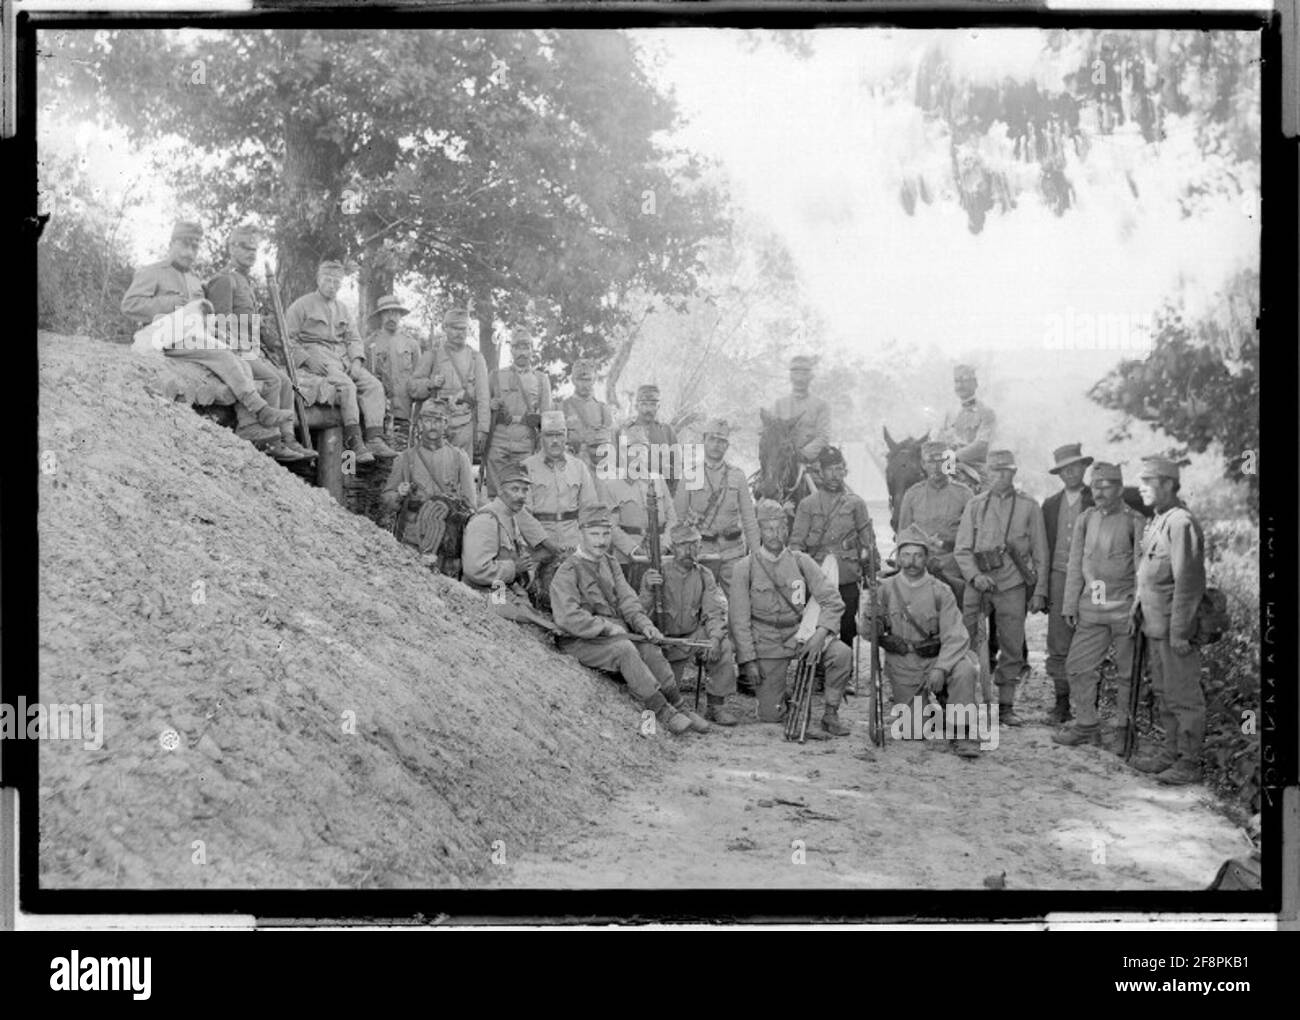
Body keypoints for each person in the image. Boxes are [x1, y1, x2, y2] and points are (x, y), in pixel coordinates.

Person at [121, 220, 294, 454]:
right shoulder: (152, 272)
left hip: (192, 335)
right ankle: (260, 408)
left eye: (194, 248)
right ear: (171, 245)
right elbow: (130, 305)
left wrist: (218, 331)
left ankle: (251, 426)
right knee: (223, 356)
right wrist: (171, 303)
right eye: (184, 246)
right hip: (162, 337)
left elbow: (206, 317)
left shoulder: (194, 280)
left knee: (238, 357)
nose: (189, 253)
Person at [550, 505, 711, 736]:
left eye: (606, 534)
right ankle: (662, 710)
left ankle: (680, 705)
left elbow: (628, 601)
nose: (601, 541)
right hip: (581, 639)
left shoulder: (610, 562)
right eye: (594, 534)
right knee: (625, 650)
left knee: (648, 646)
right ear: (580, 533)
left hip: (615, 633)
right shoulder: (567, 571)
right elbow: (568, 618)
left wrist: (645, 625)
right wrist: (605, 627)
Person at [728, 499, 854, 736]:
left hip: (800, 635)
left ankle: (830, 712)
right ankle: (785, 699)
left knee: (841, 653)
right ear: (760, 531)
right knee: (770, 716)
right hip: (766, 642)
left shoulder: (801, 561)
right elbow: (739, 620)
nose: (775, 534)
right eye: (769, 528)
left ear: (787, 529)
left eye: (780, 528)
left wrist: (820, 633)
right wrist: (748, 661)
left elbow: (834, 601)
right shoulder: (744, 567)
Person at [202, 223, 315, 463]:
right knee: (272, 380)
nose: (251, 253)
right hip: (233, 350)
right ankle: (266, 438)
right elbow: (219, 325)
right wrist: (240, 348)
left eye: (254, 249)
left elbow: (253, 323)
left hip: (249, 349)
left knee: (285, 382)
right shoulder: (225, 280)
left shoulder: (245, 281)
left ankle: (287, 438)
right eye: (245, 247)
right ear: (231, 247)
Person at [1053, 462, 1145, 752]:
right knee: (1078, 666)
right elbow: (1076, 564)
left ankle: (1123, 731)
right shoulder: (1086, 518)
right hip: (1091, 609)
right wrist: (1070, 604)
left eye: (1106, 486)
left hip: (1124, 611)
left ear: (1119, 488)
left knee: (1128, 673)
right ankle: (1086, 725)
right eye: (1095, 486)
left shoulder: (1135, 520)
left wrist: (1138, 610)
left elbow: (1143, 571)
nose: (1100, 492)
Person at [953, 449, 1049, 727]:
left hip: (1011, 585)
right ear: (987, 473)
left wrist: (1040, 590)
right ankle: (966, 702)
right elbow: (962, 549)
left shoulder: (1029, 506)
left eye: (1006, 471)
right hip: (979, 583)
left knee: (1012, 644)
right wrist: (974, 577)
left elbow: (1040, 552)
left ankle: (1006, 705)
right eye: (995, 471)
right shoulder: (975, 505)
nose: (1000, 476)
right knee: (967, 641)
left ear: (1013, 473)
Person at [871, 524, 983, 758]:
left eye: (918, 556)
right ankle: (939, 709)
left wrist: (941, 669)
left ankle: (962, 731)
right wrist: (869, 610)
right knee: (913, 731)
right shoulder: (885, 588)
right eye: (906, 555)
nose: (912, 562)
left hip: (936, 659)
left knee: (965, 670)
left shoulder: (940, 590)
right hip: (903, 665)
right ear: (898, 557)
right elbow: (868, 633)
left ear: (926, 558)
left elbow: (956, 636)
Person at [1130, 456, 1208, 785]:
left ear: (1167, 484)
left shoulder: (1180, 523)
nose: (1143, 488)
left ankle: (1189, 761)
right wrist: (1136, 610)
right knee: (1164, 692)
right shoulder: (1159, 520)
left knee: (1183, 695)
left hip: (1174, 630)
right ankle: (1170, 751)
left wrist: (1180, 632)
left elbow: (1188, 583)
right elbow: (1147, 574)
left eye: (1148, 482)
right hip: (1155, 626)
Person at [283, 260, 397, 465]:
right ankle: (354, 440)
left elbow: (353, 338)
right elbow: (287, 340)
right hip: (316, 352)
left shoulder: (343, 309)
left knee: (374, 385)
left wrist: (356, 361)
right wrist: (306, 359)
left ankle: (374, 438)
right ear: (318, 280)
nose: (332, 285)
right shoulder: (301, 305)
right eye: (328, 280)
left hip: (342, 356)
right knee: (346, 386)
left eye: (337, 282)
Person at [640, 522, 739, 726]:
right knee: (668, 694)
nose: (688, 551)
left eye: (694, 545)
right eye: (682, 545)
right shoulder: (658, 574)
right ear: (673, 547)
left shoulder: (704, 575)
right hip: (666, 642)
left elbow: (713, 611)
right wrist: (649, 590)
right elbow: (639, 612)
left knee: (723, 645)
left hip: (692, 637)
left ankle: (716, 705)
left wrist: (714, 638)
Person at [789, 445, 879, 651]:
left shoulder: (856, 504)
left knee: (846, 626)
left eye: (839, 469)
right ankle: (817, 671)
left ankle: (843, 673)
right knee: (814, 625)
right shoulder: (807, 504)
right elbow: (796, 544)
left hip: (847, 575)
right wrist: (799, 578)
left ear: (845, 472)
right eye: (829, 469)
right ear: (820, 471)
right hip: (817, 576)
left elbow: (868, 543)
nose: (834, 475)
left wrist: (872, 573)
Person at [380, 398, 476, 574]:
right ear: (420, 423)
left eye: (438, 420)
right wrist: (399, 494)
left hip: (446, 540)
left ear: (446, 424)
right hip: (412, 538)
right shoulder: (405, 458)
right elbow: (387, 501)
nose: (433, 425)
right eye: (428, 420)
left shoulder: (459, 458)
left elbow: (471, 505)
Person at [522, 410, 602, 608]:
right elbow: (522, 513)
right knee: (538, 597)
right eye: (550, 435)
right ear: (541, 437)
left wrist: (583, 545)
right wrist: (546, 543)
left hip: (572, 545)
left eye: (560, 435)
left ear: (566, 436)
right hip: (538, 548)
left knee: (577, 599)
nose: (555, 441)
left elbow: (589, 509)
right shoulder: (526, 467)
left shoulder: (578, 467)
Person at [673, 417, 759, 598]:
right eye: (712, 439)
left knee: (739, 603)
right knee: (698, 603)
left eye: (722, 441)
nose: (716, 445)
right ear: (703, 440)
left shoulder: (737, 476)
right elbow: (678, 520)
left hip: (733, 553)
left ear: (727, 446)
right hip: (702, 553)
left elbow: (749, 519)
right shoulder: (690, 475)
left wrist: (757, 555)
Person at [1041, 443, 1095, 724]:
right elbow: (1042, 548)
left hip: (1093, 579)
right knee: (1059, 641)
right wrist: (1041, 588)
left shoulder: (1098, 499)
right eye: (1065, 468)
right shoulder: (1050, 505)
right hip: (1059, 577)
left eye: (1076, 466)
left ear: (1085, 468)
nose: (1071, 472)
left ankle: (1088, 706)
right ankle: (1062, 703)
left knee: (1091, 637)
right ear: (1059, 473)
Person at [408, 307, 491, 462]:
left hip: (464, 422)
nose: (459, 333)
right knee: (433, 470)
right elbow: (413, 388)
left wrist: (483, 429)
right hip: (434, 423)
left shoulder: (476, 358)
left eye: (463, 329)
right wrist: (430, 384)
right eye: (454, 328)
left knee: (461, 469)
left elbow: (484, 397)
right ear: (445, 328)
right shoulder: (432, 355)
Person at [462, 464, 544, 618]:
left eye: (525, 490)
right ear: (500, 490)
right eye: (515, 489)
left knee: (541, 622)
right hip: (486, 594)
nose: (521, 495)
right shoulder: (486, 519)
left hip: (503, 589)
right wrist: (514, 568)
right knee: (534, 624)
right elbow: (475, 569)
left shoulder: (510, 517)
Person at [897, 440, 973, 600]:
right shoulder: (912, 495)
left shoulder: (964, 494)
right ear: (923, 464)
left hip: (955, 567)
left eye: (942, 461)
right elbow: (903, 534)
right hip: (920, 568)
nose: (936, 467)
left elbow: (973, 536)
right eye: (931, 461)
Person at [602, 427, 676, 588]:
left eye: (642, 450)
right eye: (632, 451)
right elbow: (610, 525)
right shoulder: (612, 485)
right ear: (623, 453)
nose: (637, 456)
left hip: (661, 553)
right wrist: (633, 549)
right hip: (628, 558)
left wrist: (665, 545)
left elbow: (672, 518)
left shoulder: (658, 480)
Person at [485, 329, 551, 497]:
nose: (522, 352)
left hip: (525, 443)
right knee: (496, 493)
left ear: (532, 350)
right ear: (511, 350)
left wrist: (538, 422)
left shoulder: (541, 379)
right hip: (499, 441)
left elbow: (548, 419)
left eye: (526, 347)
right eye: (517, 347)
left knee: (524, 494)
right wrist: (490, 405)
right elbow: (481, 407)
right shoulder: (495, 375)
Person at [364, 294, 425, 452]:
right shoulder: (370, 343)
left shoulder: (411, 344)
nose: (391, 317)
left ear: (401, 315)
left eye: (395, 313)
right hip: (376, 414)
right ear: (381, 316)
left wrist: (417, 414)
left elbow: (419, 380)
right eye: (387, 313)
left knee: (400, 455)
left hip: (403, 411)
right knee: (377, 458)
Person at [768, 354, 830, 485]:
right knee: (762, 493)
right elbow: (770, 434)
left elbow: (823, 436)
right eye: (796, 373)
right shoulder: (779, 404)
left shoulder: (821, 405)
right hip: (782, 465)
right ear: (791, 376)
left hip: (811, 465)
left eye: (804, 373)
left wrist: (803, 454)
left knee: (825, 496)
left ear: (810, 377)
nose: (800, 379)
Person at [618, 384, 681, 495]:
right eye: (644, 404)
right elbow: (618, 466)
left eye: (653, 404)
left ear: (658, 406)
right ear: (636, 406)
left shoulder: (667, 431)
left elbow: (677, 466)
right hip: (633, 493)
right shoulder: (625, 431)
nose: (648, 409)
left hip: (662, 493)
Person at [939, 364, 996, 468]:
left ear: (975, 383)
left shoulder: (986, 412)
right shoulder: (951, 412)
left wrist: (952, 457)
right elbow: (942, 439)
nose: (960, 386)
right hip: (948, 465)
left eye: (964, 381)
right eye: (957, 381)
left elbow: (981, 445)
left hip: (974, 467)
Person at [561, 358, 615, 457]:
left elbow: (611, 445)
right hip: (572, 464)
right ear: (573, 380)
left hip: (596, 464)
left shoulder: (603, 409)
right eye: (580, 380)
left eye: (588, 380)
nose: (584, 385)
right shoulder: (562, 408)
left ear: (594, 380)